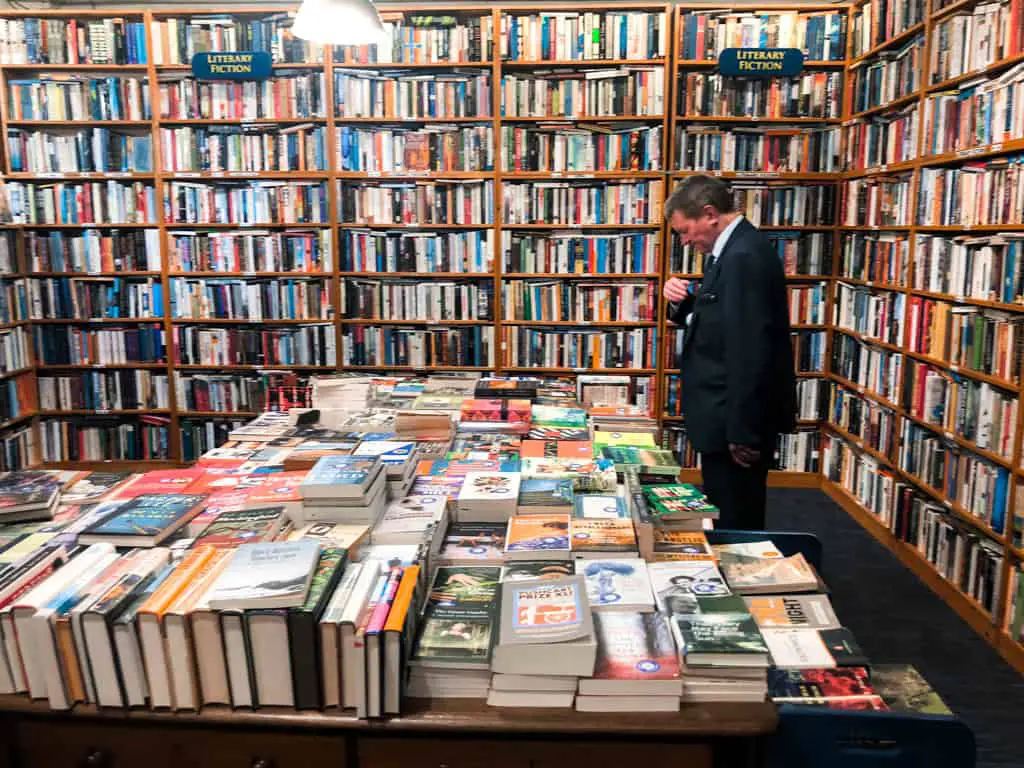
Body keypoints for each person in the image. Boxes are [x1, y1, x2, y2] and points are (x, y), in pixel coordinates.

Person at [662, 175, 797, 530]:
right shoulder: (729, 251)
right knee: (724, 509)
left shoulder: (742, 257)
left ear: (709, 214)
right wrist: (684, 303)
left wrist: (744, 431)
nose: (685, 241)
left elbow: (751, 348)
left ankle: (741, 581)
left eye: (685, 230)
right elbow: (722, 325)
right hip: (724, 417)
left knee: (736, 517)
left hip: (733, 424)